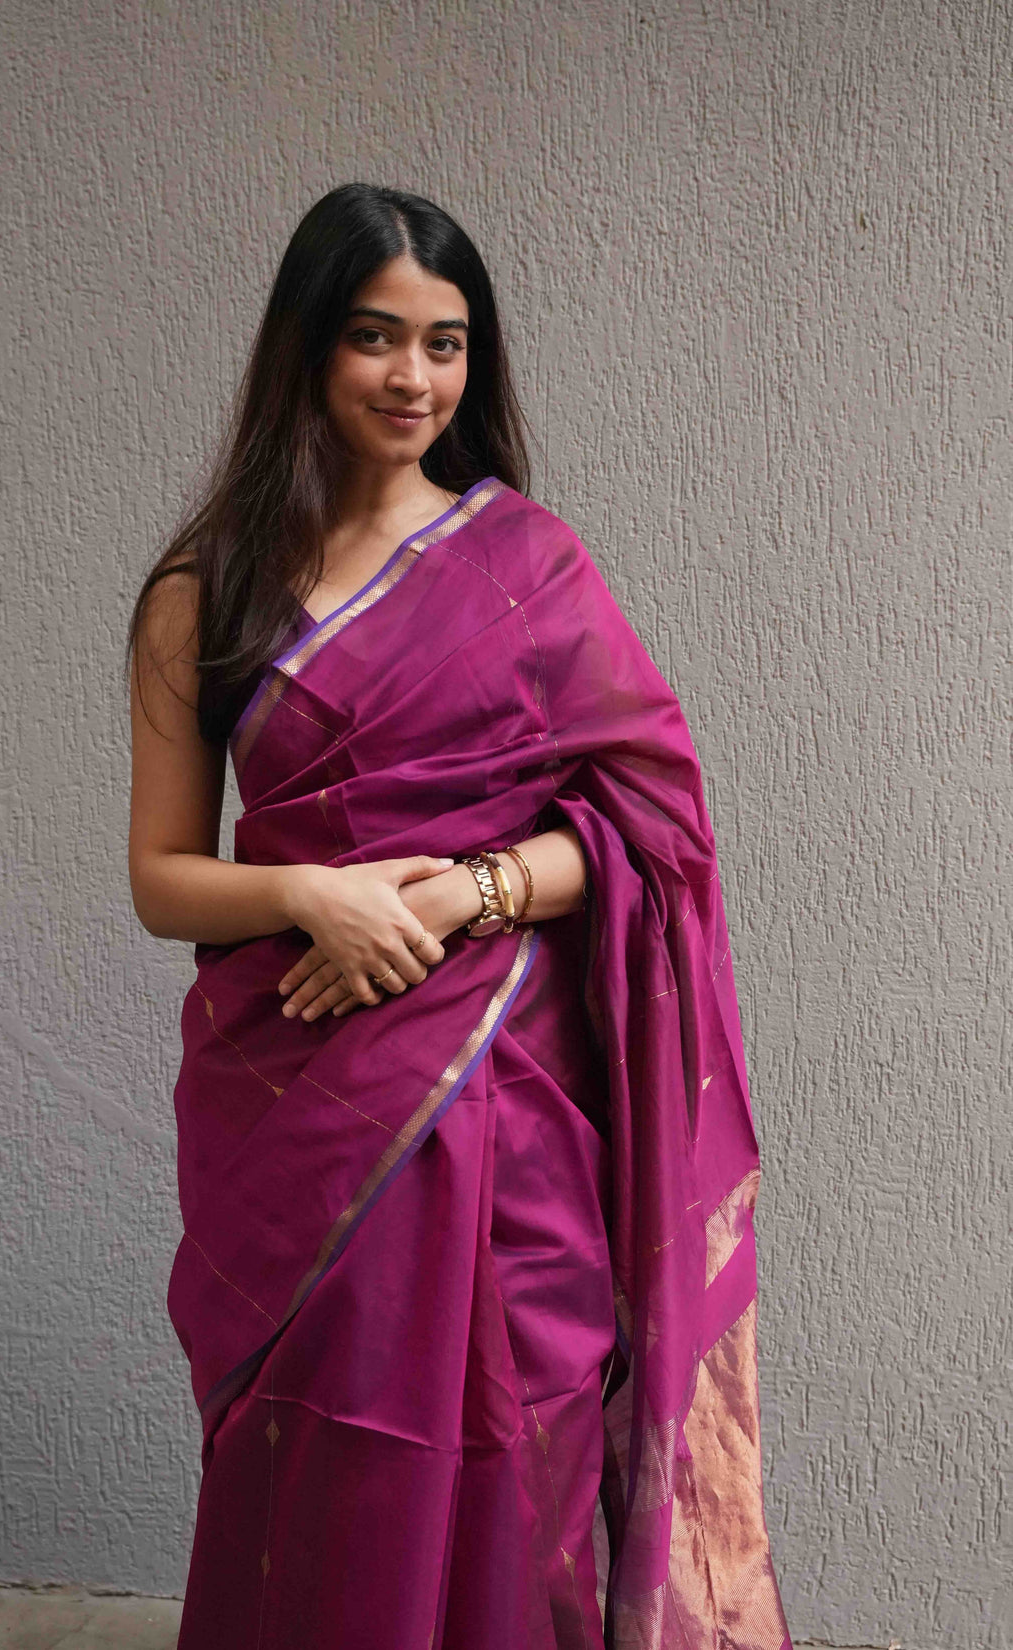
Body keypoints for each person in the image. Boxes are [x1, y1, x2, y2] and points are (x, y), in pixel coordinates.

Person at [125, 182, 793, 1650]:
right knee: (318, 1443)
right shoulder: (206, 586)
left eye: (445, 342)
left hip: (508, 1101)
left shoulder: (530, 568)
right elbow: (163, 872)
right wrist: (308, 893)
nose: (414, 377)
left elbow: (654, 829)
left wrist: (484, 886)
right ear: (307, 348)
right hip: (291, 1100)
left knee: (521, 1430)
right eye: (375, 337)